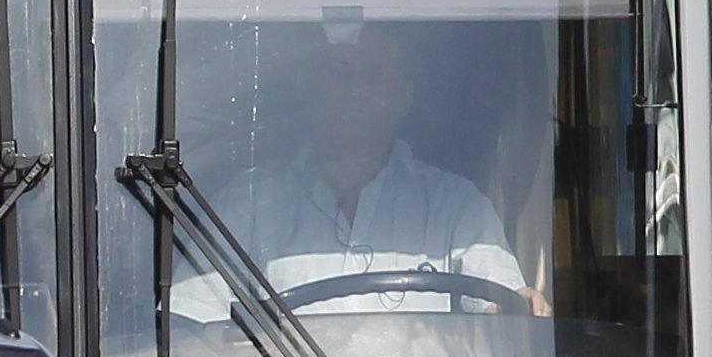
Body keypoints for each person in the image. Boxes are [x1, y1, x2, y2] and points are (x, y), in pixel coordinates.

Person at [215, 28, 527, 296]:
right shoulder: (248, 205)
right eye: (338, 72)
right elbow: (192, 332)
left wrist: (519, 308)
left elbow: (501, 318)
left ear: (404, 96)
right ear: (308, 86)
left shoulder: (458, 206)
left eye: (375, 75)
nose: (354, 90)